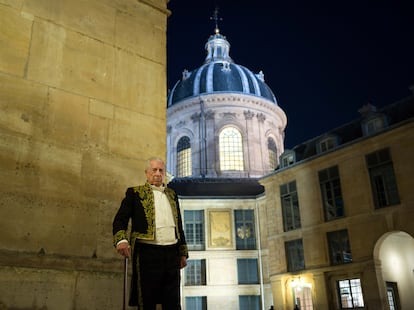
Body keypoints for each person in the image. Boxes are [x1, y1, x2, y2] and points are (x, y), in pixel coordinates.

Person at [113, 157, 188, 310]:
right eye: (154, 170)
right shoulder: (134, 193)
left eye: (161, 170)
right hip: (148, 253)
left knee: (173, 301)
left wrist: (182, 252)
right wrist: (121, 240)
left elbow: (178, 225)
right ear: (147, 173)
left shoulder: (172, 194)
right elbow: (120, 219)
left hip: (172, 253)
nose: (158, 173)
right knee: (147, 299)